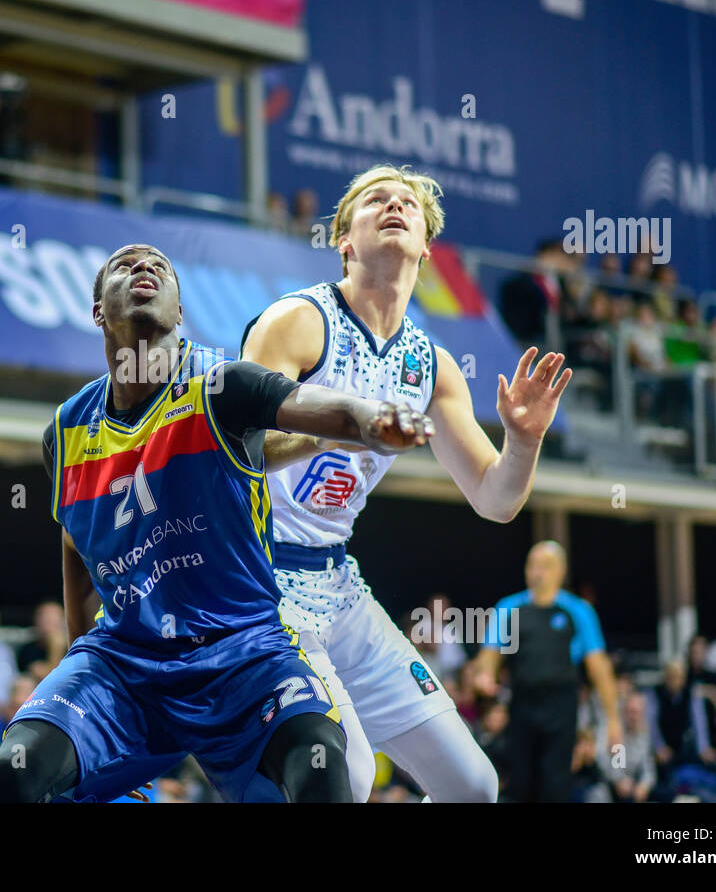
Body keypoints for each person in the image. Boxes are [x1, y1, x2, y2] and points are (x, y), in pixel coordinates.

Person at [0, 242, 428, 804]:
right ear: (96, 312)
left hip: (243, 650)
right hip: (126, 663)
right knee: (10, 775)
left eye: (160, 266)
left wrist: (378, 419)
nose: (145, 268)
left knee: (320, 760)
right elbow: (75, 540)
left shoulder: (223, 386)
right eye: (125, 264)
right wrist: (79, 659)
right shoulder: (65, 433)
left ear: (179, 315)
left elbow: (321, 408)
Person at [242, 165, 574, 802]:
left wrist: (523, 442)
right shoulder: (298, 322)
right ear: (345, 240)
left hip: (338, 584)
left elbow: (496, 499)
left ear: (426, 245)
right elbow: (234, 449)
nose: (394, 205)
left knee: (474, 785)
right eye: (375, 201)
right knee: (352, 774)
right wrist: (343, 425)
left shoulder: (430, 365)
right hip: (260, 580)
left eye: (408, 204)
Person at [473, 541, 621, 803]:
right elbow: (489, 654)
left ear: (561, 571)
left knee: (555, 785)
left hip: (561, 708)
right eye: (532, 565)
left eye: (546, 566)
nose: (537, 572)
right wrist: (484, 675)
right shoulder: (509, 608)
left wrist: (613, 719)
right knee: (520, 785)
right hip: (522, 706)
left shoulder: (578, 611)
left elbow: (599, 668)